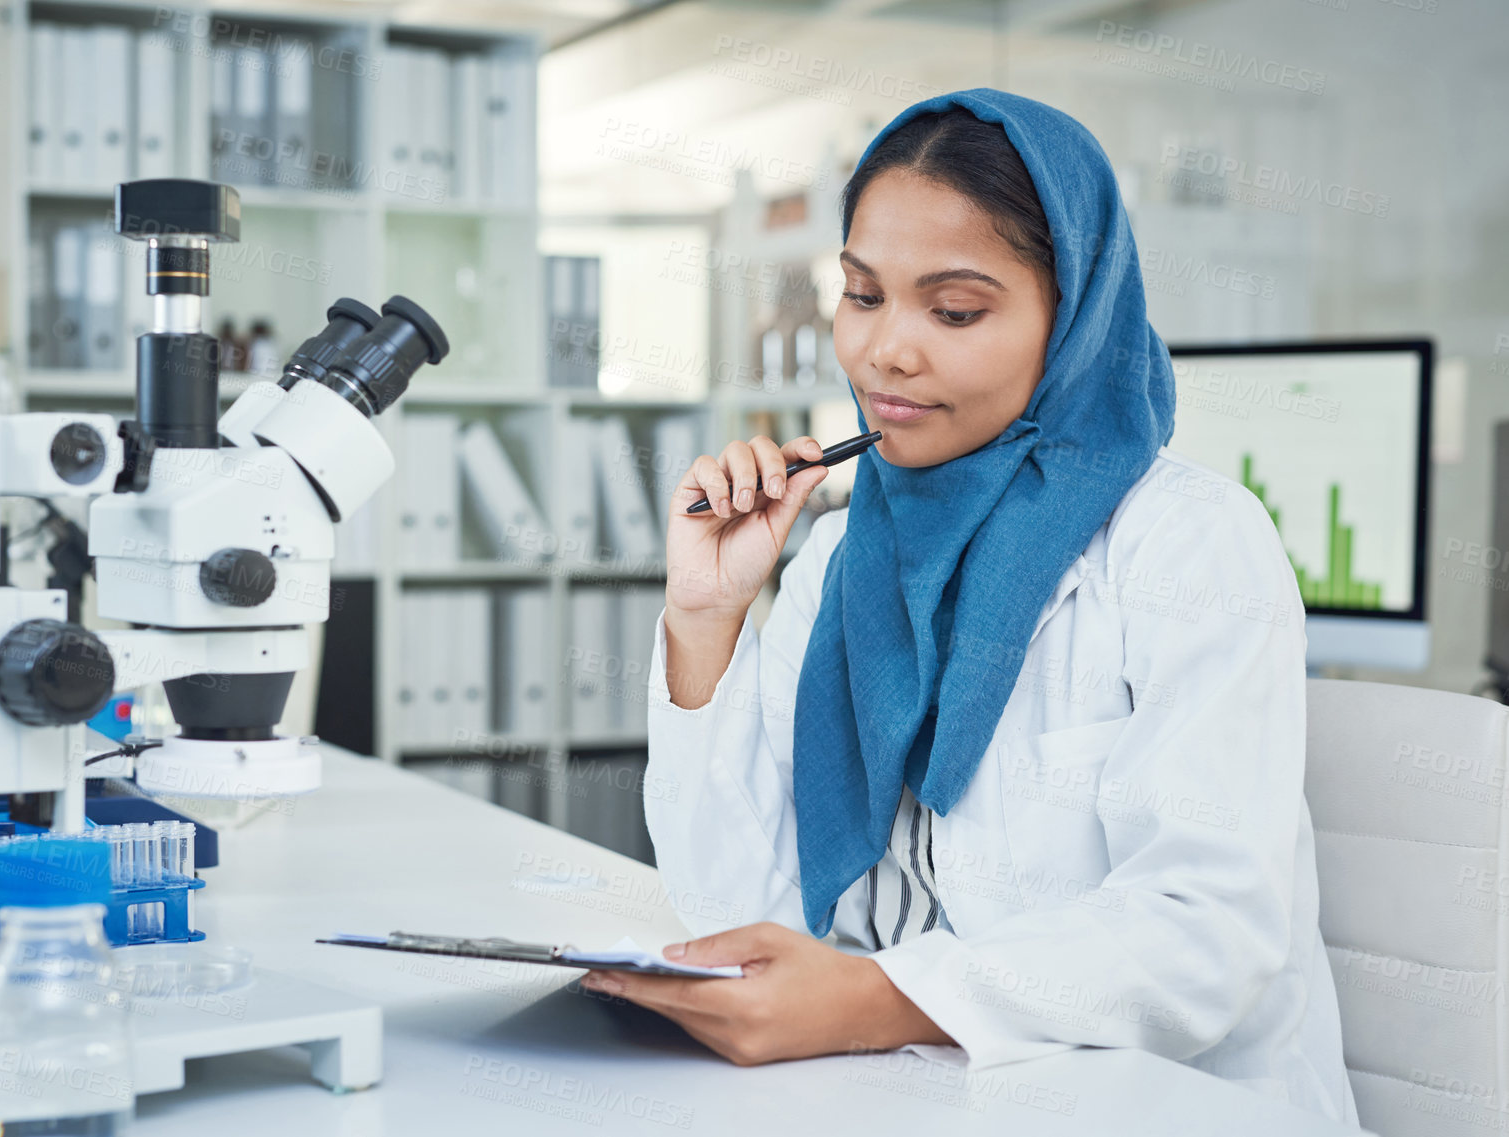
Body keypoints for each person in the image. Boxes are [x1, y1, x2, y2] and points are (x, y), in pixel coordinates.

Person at [579, 89, 1358, 1126]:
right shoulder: (846, 553)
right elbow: (736, 914)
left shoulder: (1189, 543)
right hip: (903, 1095)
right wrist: (708, 617)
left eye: (954, 311)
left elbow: (1205, 933)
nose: (885, 352)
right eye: (861, 295)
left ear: (1072, 314)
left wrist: (874, 998)